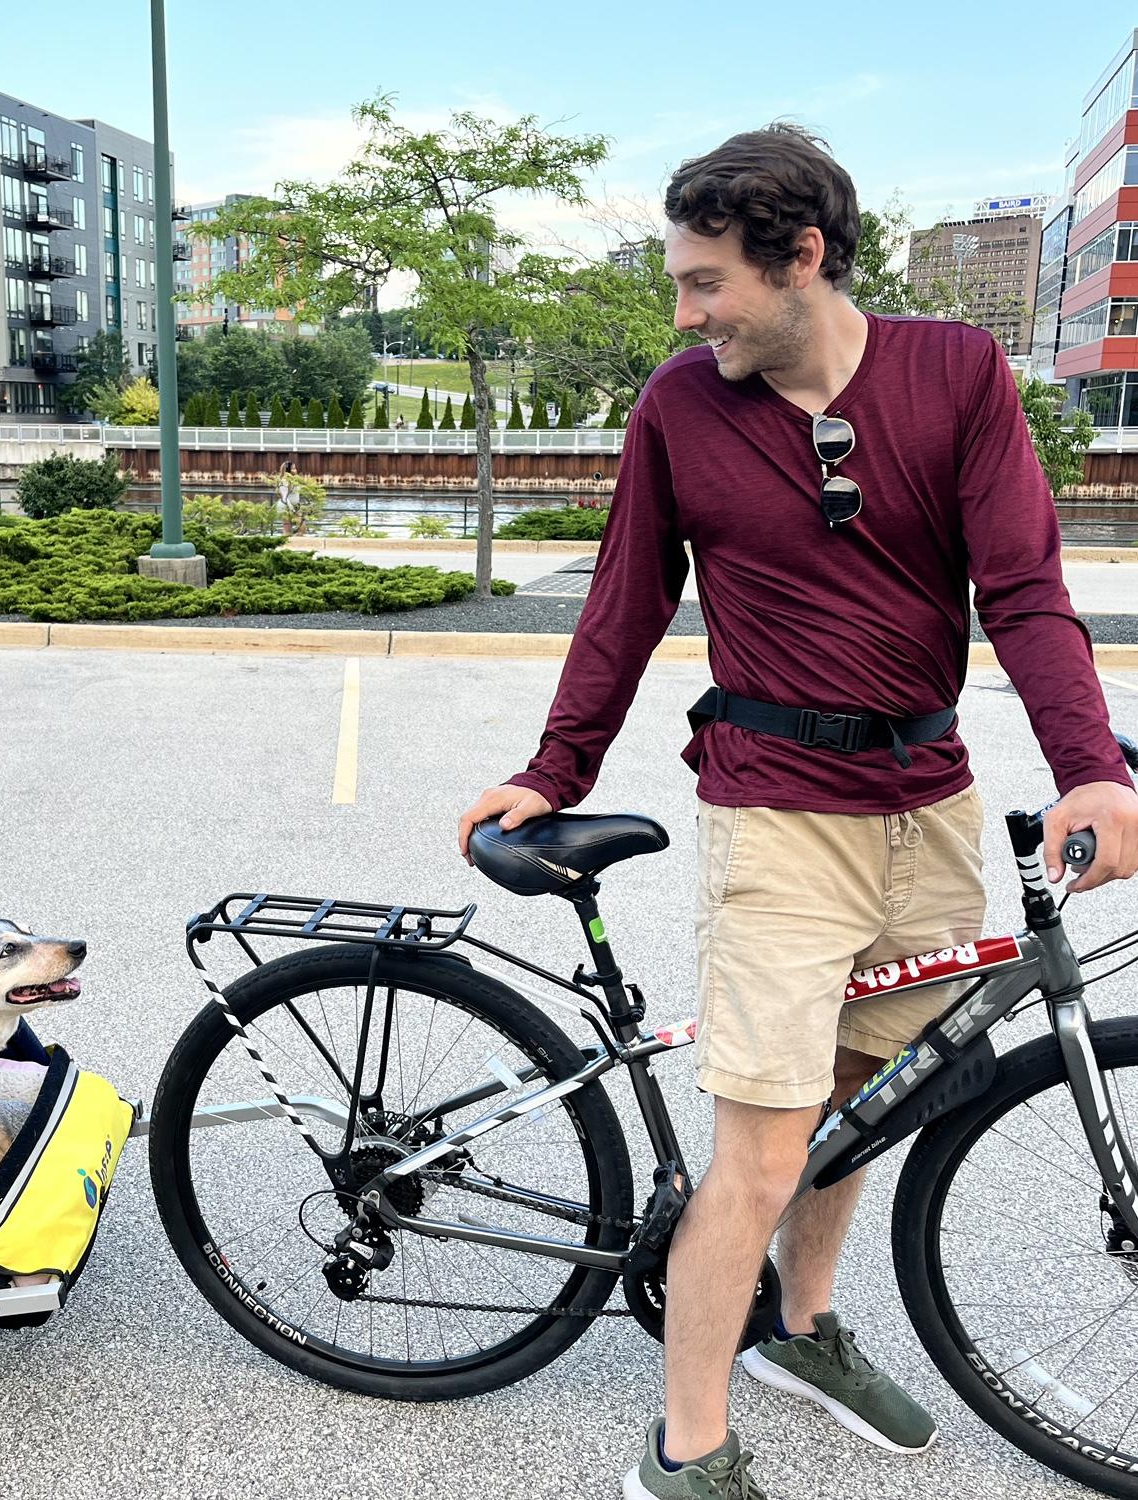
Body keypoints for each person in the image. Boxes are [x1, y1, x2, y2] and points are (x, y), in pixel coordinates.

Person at [456, 123, 1138, 1500]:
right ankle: (687, 1444)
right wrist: (556, 767)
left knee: (860, 1101)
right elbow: (627, 607)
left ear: (803, 258)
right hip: (775, 816)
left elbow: (1023, 593)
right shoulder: (680, 407)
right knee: (762, 1148)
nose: (685, 311)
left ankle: (805, 1330)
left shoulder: (955, 375)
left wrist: (1090, 767)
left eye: (705, 282)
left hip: (929, 801)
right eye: (682, 281)